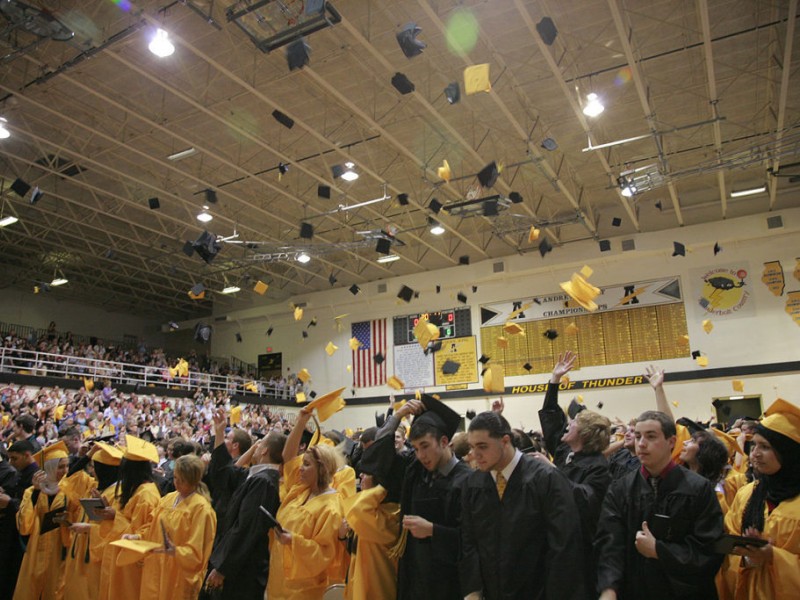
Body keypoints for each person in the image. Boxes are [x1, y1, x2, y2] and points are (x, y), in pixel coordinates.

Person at [595, 410, 724, 600]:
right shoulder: (620, 489)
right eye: (638, 436)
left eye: (651, 436)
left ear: (671, 442)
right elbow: (610, 543)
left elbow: (709, 548)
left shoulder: (698, 488)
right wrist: (609, 588)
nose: (641, 443)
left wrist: (660, 551)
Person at [460, 411, 586, 599]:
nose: (474, 455)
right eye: (471, 447)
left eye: (482, 446)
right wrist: (473, 589)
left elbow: (564, 547)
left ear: (505, 440)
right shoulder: (474, 483)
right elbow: (469, 541)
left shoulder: (545, 479)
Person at [535, 351, 611, 590]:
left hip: (580, 548)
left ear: (586, 433)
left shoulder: (597, 466)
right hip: (555, 537)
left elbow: (585, 500)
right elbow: (550, 417)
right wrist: (554, 380)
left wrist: (551, 471)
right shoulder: (564, 450)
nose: (568, 423)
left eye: (574, 423)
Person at [387, 396, 471, 600]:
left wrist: (433, 531)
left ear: (444, 442)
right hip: (416, 579)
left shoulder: (468, 481)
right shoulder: (417, 474)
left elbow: (474, 541)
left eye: (425, 446)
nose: (421, 455)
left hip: (450, 584)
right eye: (415, 449)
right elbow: (377, 461)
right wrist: (397, 416)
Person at [723, 398, 800, 599]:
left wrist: (773, 556)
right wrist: (747, 557)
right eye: (753, 445)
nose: (754, 454)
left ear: (788, 453)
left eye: (764, 447)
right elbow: (729, 545)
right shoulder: (747, 493)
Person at [266, 404, 344, 600]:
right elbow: (288, 456)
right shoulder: (300, 489)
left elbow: (325, 554)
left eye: (307, 465)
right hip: (278, 580)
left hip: (304, 590)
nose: (300, 469)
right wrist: (301, 420)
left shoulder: (331, 508)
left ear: (323, 469)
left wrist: (294, 541)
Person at [204, 431, 284, 599]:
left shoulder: (263, 481)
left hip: (242, 569)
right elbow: (222, 476)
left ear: (264, 451)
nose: (256, 446)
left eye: (260, 444)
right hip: (235, 562)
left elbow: (245, 528)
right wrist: (219, 432)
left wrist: (223, 568)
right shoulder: (255, 475)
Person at [138, 455, 217, 600]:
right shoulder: (168, 498)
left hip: (178, 574)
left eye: (182, 480)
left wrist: (177, 551)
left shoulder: (201, 508)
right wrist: (138, 536)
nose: (177, 483)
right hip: (156, 567)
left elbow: (198, 551)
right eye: (175, 478)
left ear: (193, 480)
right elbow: (152, 525)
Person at [97, 436, 161, 600]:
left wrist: (115, 516)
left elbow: (143, 533)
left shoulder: (146, 494)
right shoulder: (136, 489)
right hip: (120, 558)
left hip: (132, 563)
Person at [342, 434, 403, 600]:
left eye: (367, 474)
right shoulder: (375, 509)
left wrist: (385, 485)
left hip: (378, 592)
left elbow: (357, 509)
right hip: (359, 585)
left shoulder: (392, 515)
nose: (361, 476)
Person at [60, 442, 123, 600]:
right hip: (79, 553)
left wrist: (90, 528)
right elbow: (70, 478)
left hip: (95, 557)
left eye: (96, 467)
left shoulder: (119, 494)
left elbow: (117, 529)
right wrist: (87, 455)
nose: (93, 471)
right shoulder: (94, 486)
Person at [12, 441, 70, 600]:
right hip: (36, 550)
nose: (64, 471)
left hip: (59, 551)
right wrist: (36, 494)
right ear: (49, 467)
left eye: (66, 466)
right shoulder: (31, 491)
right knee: (30, 591)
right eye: (60, 467)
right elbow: (24, 526)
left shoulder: (71, 491)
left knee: (56, 590)